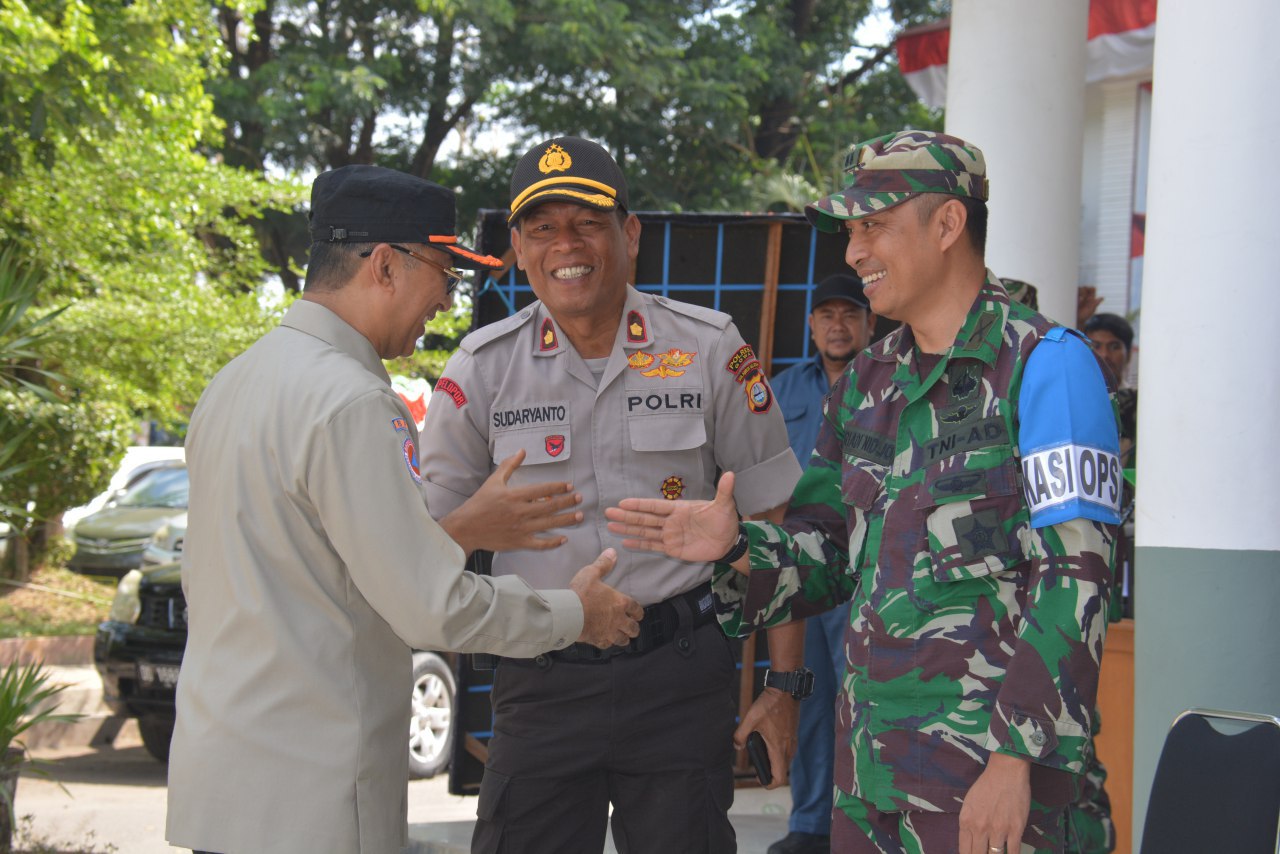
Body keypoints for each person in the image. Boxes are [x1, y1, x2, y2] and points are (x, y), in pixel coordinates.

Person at [607, 130, 1123, 854]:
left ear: (947, 224)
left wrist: (1016, 760)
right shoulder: (867, 384)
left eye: (874, 226)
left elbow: (1077, 579)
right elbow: (825, 554)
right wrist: (736, 546)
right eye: (851, 231)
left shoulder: (1048, 367)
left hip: (996, 791)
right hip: (871, 783)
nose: (853, 252)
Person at [166, 165, 645, 854]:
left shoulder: (238, 381)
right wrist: (577, 615)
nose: (446, 302)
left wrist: (455, 531)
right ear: (386, 266)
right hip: (314, 795)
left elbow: (312, 571)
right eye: (444, 275)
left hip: (227, 784)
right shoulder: (355, 402)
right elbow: (431, 608)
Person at [418, 136, 804, 854]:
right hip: (541, 679)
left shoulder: (711, 348)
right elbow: (421, 546)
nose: (567, 244)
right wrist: (474, 524)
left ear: (629, 234)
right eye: (543, 228)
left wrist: (786, 683)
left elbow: (775, 523)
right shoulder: (481, 370)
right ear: (519, 247)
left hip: (679, 676)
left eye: (587, 222)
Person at [768, 273, 876, 854]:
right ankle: (810, 825)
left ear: (869, 323)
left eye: (849, 314)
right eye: (827, 315)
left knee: (861, 699)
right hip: (798, 574)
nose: (838, 325)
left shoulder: (887, 388)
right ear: (812, 325)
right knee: (805, 696)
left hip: (864, 572)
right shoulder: (780, 391)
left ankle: (858, 824)